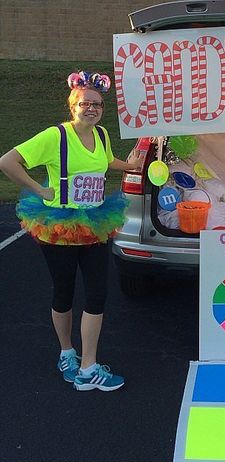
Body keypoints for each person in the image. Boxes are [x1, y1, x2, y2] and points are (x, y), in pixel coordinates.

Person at [0, 71, 143, 391]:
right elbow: (8, 161)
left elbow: (106, 162)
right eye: (84, 103)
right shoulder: (55, 136)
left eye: (97, 104)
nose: (91, 108)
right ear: (72, 105)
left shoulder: (103, 135)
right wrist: (39, 189)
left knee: (97, 292)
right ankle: (67, 352)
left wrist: (131, 165)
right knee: (63, 291)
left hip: (94, 222)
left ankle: (89, 365)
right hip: (60, 227)